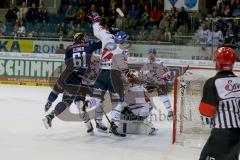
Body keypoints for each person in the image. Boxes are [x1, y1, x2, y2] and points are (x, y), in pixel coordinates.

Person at [42, 32, 102, 134]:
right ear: (81, 39)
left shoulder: (69, 48)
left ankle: (50, 114)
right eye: (84, 37)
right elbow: (101, 43)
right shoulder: (89, 45)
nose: (86, 39)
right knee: (79, 103)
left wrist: (49, 101)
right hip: (78, 79)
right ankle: (89, 126)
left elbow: (67, 62)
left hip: (66, 75)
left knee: (65, 100)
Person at [87, 12, 132, 137]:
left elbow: (97, 31)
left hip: (102, 73)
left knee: (97, 99)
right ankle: (114, 126)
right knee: (118, 102)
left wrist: (96, 20)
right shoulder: (124, 50)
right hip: (114, 76)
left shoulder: (107, 36)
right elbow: (123, 67)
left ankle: (88, 105)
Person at [199, 47, 240, 160]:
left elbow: (206, 113)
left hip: (222, 134)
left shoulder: (212, 82)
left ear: (217, 62)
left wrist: (208, 120)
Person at [140, 48, 173, 119]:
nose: (150, 55)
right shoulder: (146, 62)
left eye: (152, 54)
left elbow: (167, 72)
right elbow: (142, 72)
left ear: (155, 55)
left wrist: (165, 78)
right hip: (149, 82)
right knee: (142, 94)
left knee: (163, 96)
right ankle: (147, 107)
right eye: (149, 54)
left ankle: (170, 111)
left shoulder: (160, 62)